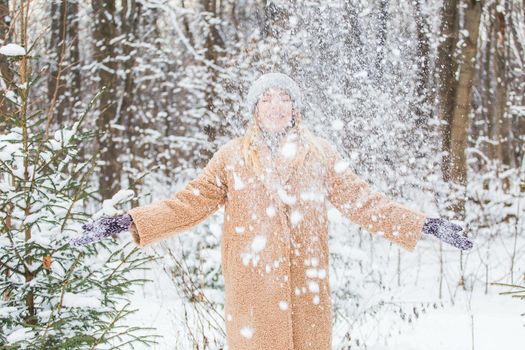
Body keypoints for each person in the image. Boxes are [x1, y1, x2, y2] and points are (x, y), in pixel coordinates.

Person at [71, 72, 473, 349]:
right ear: (255, 108)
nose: (277, 106)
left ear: (296, 107)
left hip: (306, 292)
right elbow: (187, 204)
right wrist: (129, 221)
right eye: (267, 98)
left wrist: (424, 225)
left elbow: (365, 203)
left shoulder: (321, 156)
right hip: (254, 294)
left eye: (285, 99)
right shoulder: (230, 158)